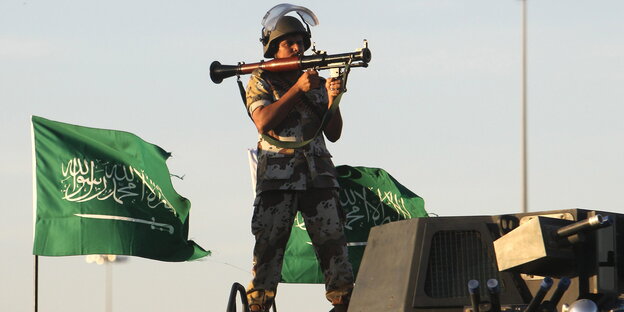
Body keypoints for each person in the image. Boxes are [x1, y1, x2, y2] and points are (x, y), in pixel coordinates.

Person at [244, 13, 354, 312]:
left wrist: (333, 98)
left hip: (318, 175)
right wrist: (297, 90)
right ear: (274, 48)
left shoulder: (314, 81)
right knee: (269, 245)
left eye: (299, 43)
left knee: (333, 242)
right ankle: (259, 305)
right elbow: (263, 121)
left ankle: (343, 300)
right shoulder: (260, 80)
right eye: (289, 43)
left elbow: (333, 133)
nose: (296, 48)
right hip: (279, 176)